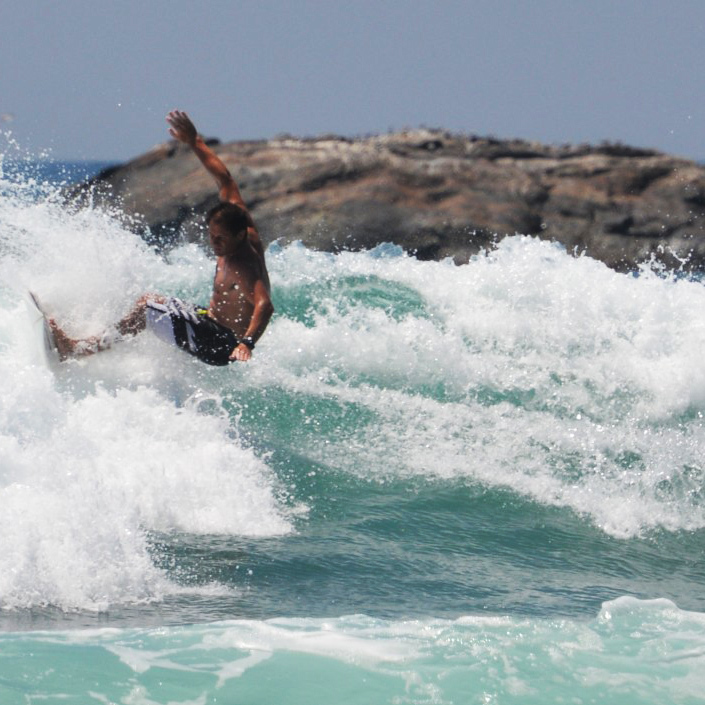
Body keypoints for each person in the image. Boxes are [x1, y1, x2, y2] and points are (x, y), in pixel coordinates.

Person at [49, 110, 274, 366]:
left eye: (221, 239)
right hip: (209, 321)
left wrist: (246, 344)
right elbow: (225, 181)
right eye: (212, 236)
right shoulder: (236, 221)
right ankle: (103, 349)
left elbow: (265, 304)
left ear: (240, 234)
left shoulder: (244, 264)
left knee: (145, 313)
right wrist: (195, 142)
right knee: (148, 300)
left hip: (220, 343)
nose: (215, 243)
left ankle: (78, 350)